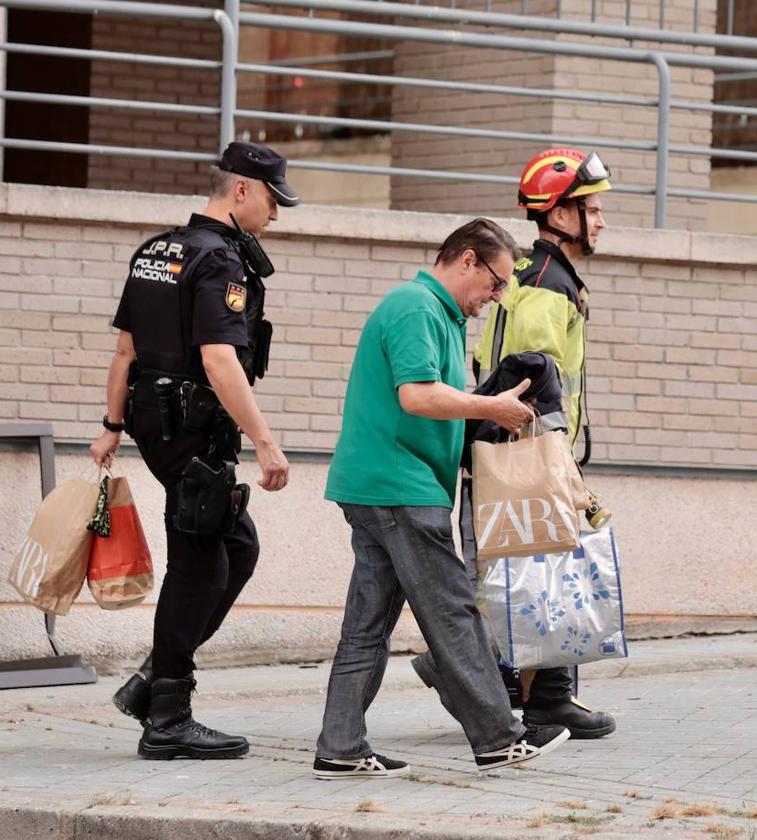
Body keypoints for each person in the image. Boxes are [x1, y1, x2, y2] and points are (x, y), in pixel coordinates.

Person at [313, 218, 571, 779]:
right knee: (453, 611)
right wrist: (492, 408)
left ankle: (340, 746)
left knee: (368, 625)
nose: (496, 297)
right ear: (469, 261)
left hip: (386, 484)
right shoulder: (417, 308)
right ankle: (500, 737)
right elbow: (418, 396)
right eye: (496, 282)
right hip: (401, 488)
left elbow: (438, 401)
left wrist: (483, 415)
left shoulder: (442, 315)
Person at [89, 141, 296, 760]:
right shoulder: (220, 262)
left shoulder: (157, 250)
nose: (276, 214)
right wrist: (266, 442)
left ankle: (156, 679)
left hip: (155, 424)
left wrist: (113, 424)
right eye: (271, 199)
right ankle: (168, 716)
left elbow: (126, 349)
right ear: (240, 191)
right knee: (200, 563)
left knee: (238, 546)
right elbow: (219, 358)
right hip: (192, 429)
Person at [439, 147, 617, 739]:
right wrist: (557, 457)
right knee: (546, 566)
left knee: (535, 570)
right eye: (590, 209)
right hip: (530, 450)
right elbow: (534, 374)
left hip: (522, 447)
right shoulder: (546, 284)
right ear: (560, 216)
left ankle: (505, 681)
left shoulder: (542, 276)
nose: (599, 221)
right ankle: (530, 695)